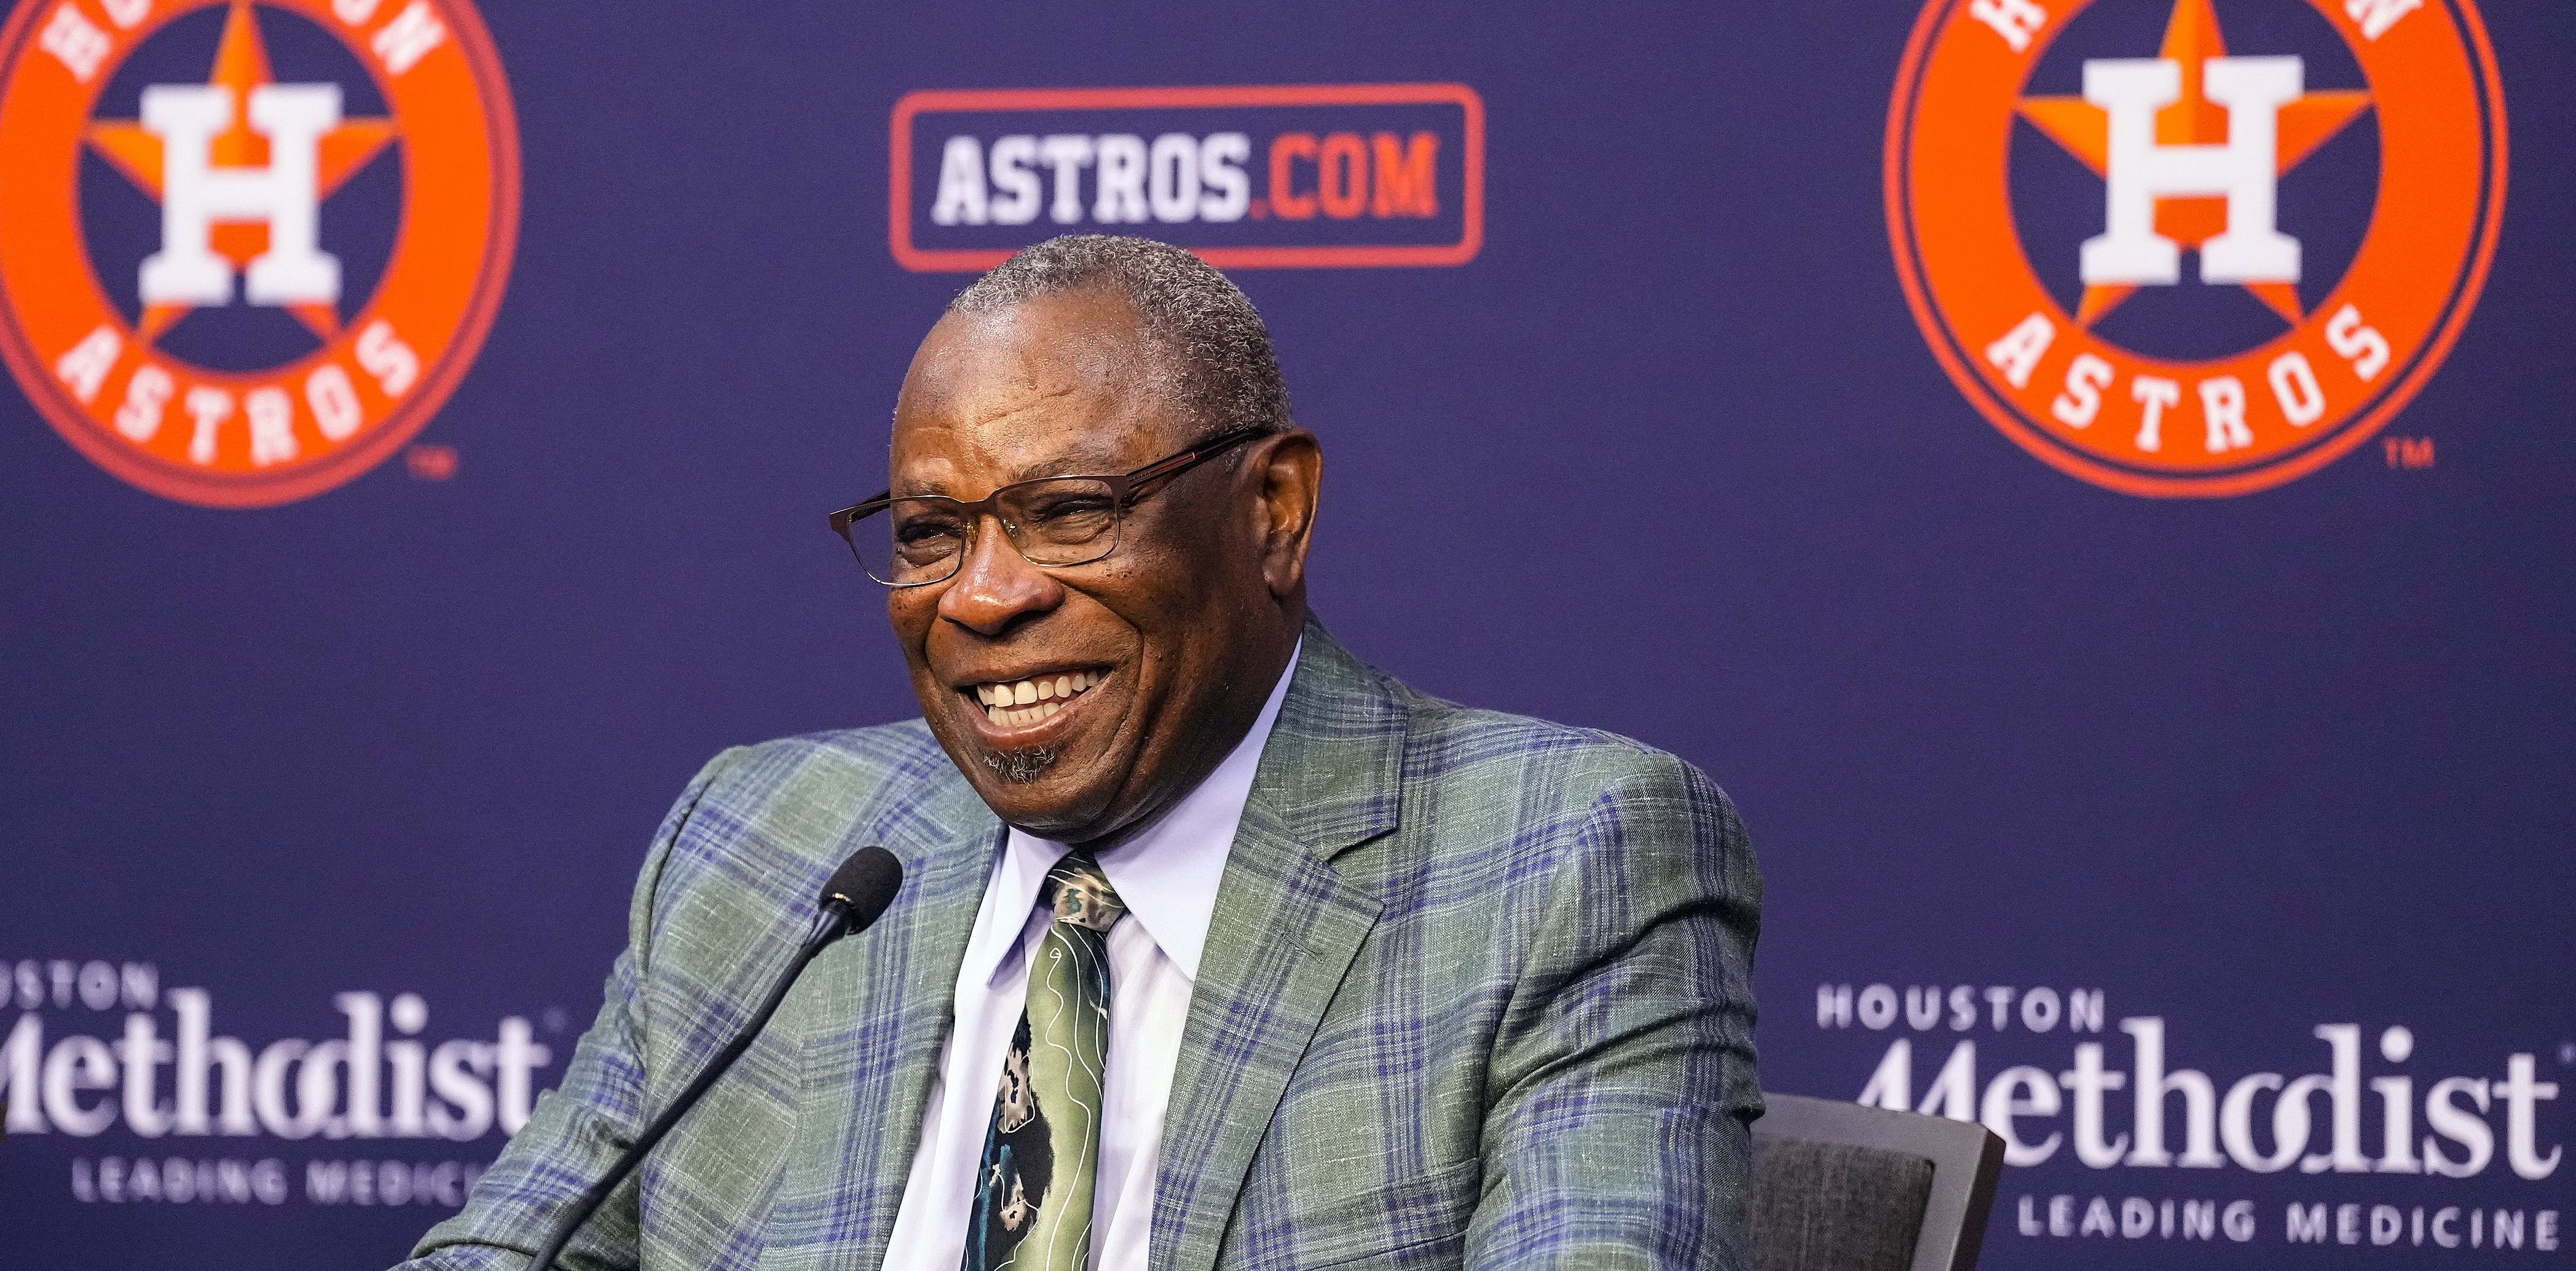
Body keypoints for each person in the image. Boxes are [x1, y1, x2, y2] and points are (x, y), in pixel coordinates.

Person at [396, 234, 1762, 1270]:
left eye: (1069, 509)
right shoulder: (765, 844)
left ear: (1275, 510)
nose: (982, 595)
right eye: (931, 533)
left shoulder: (1564, 862)